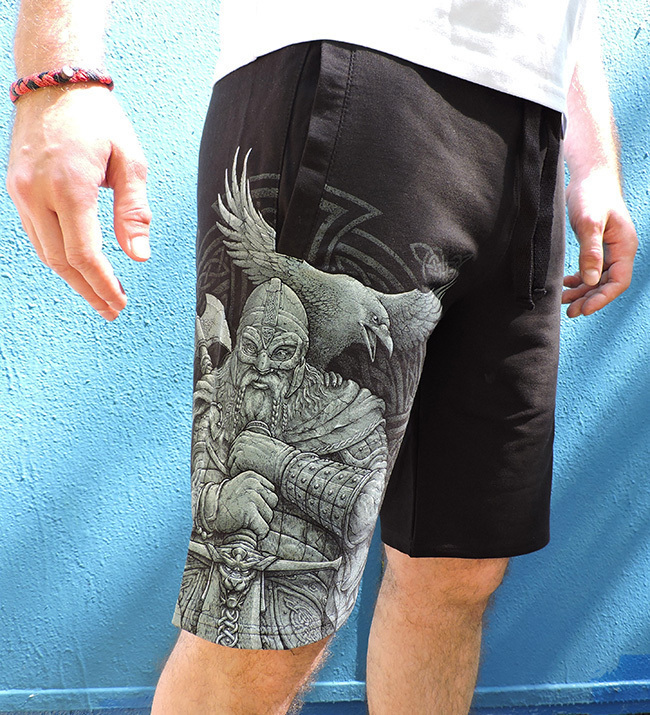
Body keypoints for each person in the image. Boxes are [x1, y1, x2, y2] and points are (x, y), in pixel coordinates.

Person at [6, 1, 637, 714]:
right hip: (358, 70)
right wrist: (56, 76)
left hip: (532, 133)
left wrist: (595, 163)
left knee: (458, 571)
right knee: (266, 604)